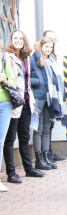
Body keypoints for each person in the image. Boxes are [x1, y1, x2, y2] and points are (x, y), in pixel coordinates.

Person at [4, 30, 45, 184]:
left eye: (21, 38)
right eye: (15, 38)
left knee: (24, 136)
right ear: (11, 40)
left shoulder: (25, 57)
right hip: (14, 101)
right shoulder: (7, 57)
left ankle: (28, 168)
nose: (18, 40)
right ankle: (11, 172)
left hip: (27, 101)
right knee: (10, 138)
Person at [30, 37, 64, 169]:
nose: (49, 49)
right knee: (38, 130)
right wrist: (38, 81)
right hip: (38, 97)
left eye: (51, 47)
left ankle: (45, 157)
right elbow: (27, 77)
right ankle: (39, 160)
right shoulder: (33, 58)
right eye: (46, 47)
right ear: (41, 46)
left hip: (49, 99)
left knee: (46, 129)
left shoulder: (51, 60)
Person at [42, 30, 66, 162]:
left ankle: (50, 153)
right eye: (50, 39)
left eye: (55, 40)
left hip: (55, 96)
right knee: (44, 128)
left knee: (50, 126)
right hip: (45, 97)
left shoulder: (54, 56)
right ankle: (45, 155)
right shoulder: (41, 56)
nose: (53, 42)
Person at [0, 33, 15, 192]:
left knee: (0, 142)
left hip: (5, 102)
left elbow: (12, 81)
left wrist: (4, 79)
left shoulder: (4, 58)